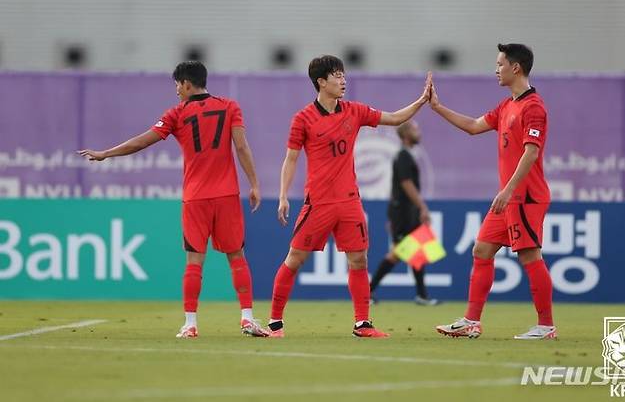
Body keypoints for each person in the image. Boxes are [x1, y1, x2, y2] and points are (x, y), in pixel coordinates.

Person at [78, 61, 268, 338]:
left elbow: (142, 141)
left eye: (178, 85)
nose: (177, 90)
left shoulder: (177, 113)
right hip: (227, 194)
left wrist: (106, 153)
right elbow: (241, 146)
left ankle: (190, 324)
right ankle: (247, 318)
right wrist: (254, 184)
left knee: (194, 260)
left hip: (196, 197)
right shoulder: (230, 106)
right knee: (237, 257)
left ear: (187, 84)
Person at [268, 55, 432, 338]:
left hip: (349, 201)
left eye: (343, 74)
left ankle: (362, 324)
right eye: (336, 75)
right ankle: (275, 324)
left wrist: (420, 102)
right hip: (318, 202)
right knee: (295, 258)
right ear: (321, 82)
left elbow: (393, 119)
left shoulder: (354, 111)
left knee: (359, 259)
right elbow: (291, 159)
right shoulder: (302, 119)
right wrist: (283, 195)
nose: (343, 80)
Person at [431, 44, 556, 340]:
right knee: (482, 250)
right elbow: (474, 126)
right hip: (509, 197)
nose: (495, 69)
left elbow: (531, 153)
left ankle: (546, 326)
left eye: (500, 63)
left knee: (529, 255)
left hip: (525, 195)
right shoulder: (506, 105)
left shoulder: (533, 106)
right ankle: (471, 322)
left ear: (516, 67)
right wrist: (437, 107)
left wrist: (509, 189)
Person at [369, 120, 439, 306]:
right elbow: (406, 184)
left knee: (417, 250)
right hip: (403, 213)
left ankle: (422, 295)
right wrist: (422, 206)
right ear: (406, 134)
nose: (419, 132)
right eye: (415, 129)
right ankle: (366, 292)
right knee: (398, 254)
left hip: (406, 212)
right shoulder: (403, 157)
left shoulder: (408, 155)